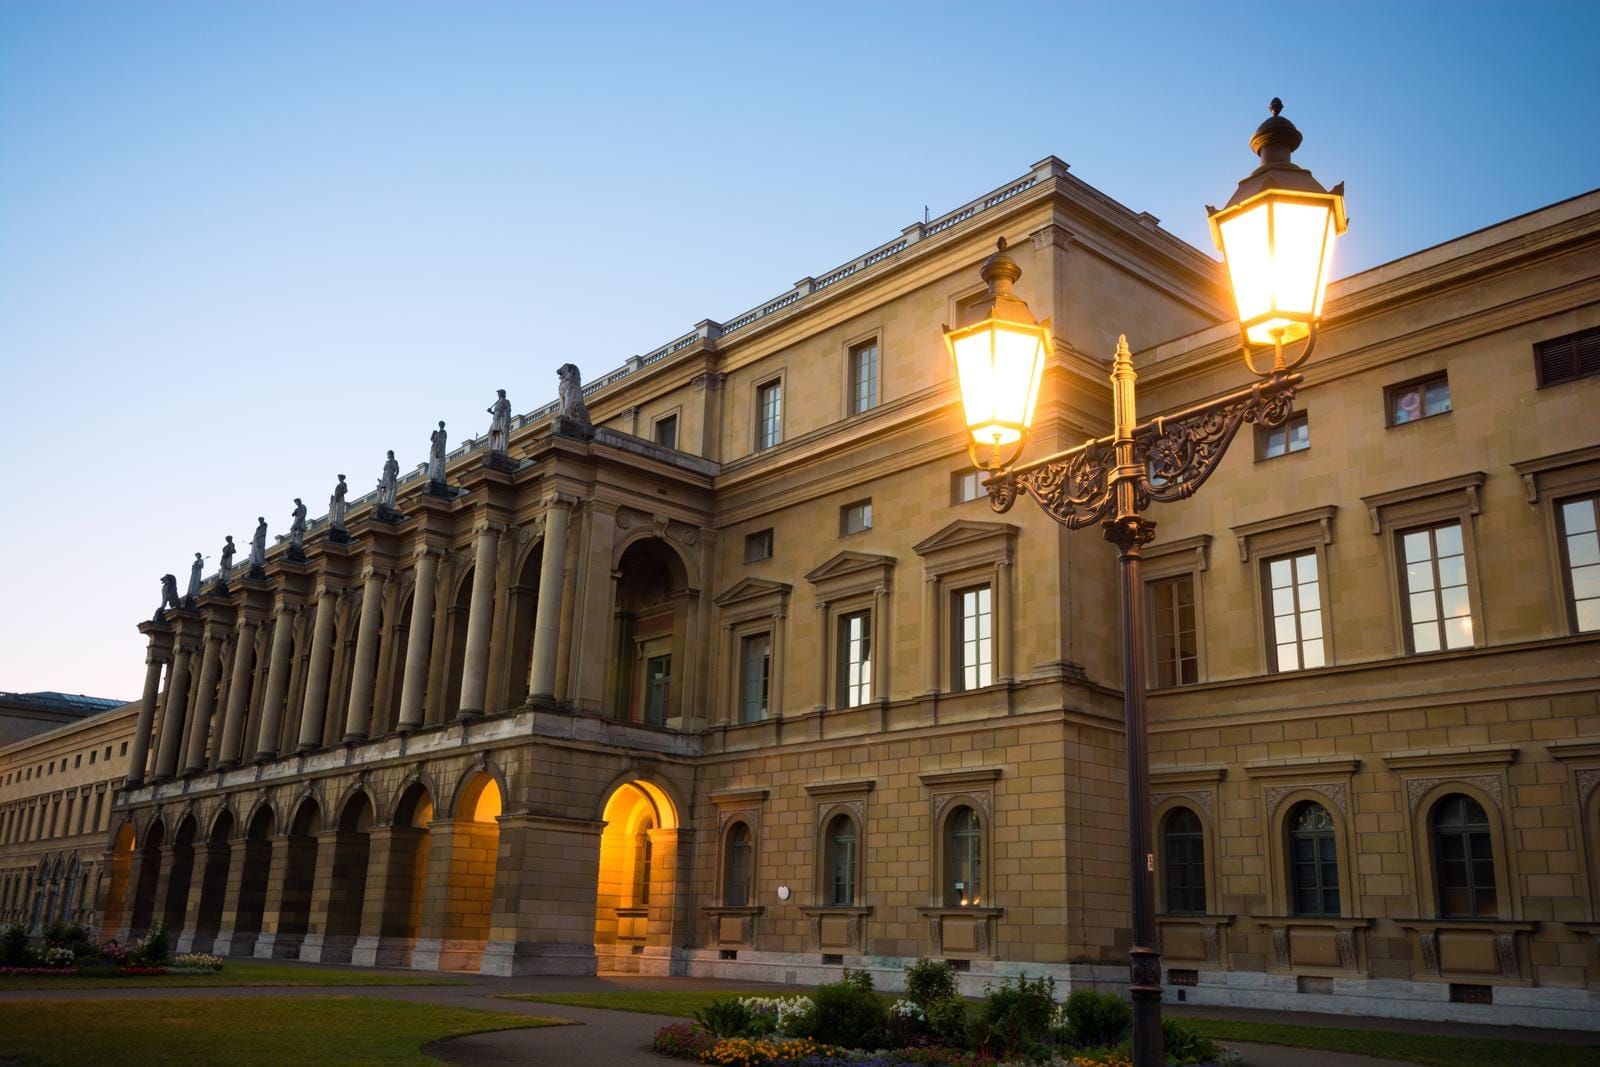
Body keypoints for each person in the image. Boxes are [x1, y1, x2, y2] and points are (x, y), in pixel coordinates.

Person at [487, 389, 512, 454]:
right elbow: (496, 413)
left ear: (501, 394)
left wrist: (505, 418)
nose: (498, 394)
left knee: (504, 433)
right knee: (490, 433)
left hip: (501, 419)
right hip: (495, 420)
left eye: (499, 393)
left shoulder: (505, 401)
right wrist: (491, 412)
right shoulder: (498, 402)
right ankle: (492, 448)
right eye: (498, 393)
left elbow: (508, 409)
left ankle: (504, 449)